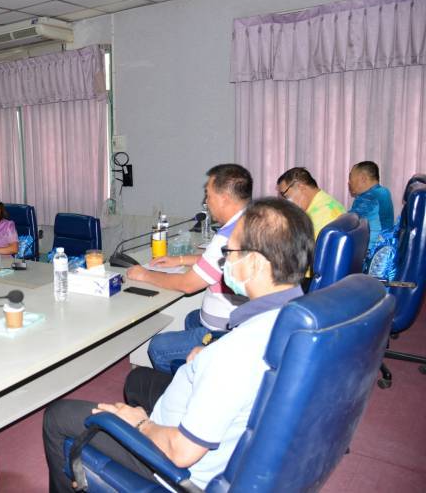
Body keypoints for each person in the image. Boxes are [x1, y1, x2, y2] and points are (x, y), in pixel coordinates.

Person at [43, 197, 313, 491]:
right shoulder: (302, 316)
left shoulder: (235, 355)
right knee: (137, 380)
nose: (224, 261)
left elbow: (181, 453)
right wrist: (209, 353)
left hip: (177, 463)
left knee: (58, 416)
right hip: (204, 413)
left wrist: (140, 424)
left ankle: (134, 462)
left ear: (256, 264)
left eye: (230, 252)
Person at [126, 164, 252, 373]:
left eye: (208, 195)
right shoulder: (251, 220)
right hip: (242, 320)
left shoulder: (227, 236)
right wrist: (181, 260)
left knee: (158, 347)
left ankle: (186, 384)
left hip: (228, 331)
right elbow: (221, 260)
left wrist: (145, 274)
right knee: (191, 318)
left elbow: (187, 285)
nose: (205, 202)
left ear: (224, 199)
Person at [276, 167, 345, 240]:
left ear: (301, 187)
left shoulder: (320, 215)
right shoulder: (325, 201)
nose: (285, 202)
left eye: (285, 196)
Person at [348, 161, 394, 245]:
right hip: (386, 246)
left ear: (363, 178)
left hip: (373, 250)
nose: (349, 182)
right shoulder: (384, 191)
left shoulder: (370, 197)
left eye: (350, 177)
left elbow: (348, 222)